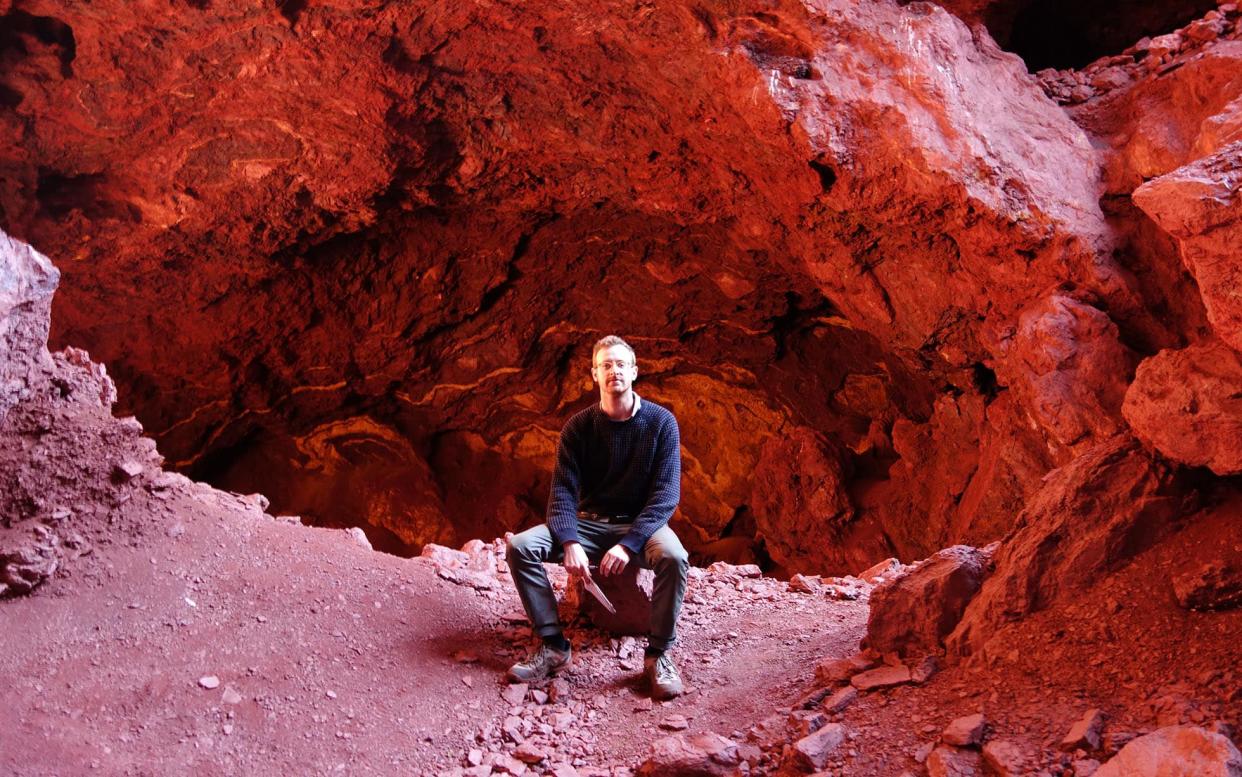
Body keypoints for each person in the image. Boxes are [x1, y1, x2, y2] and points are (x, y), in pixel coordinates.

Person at [505, 335, 688, 699]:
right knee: (522, 547)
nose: (614, 371)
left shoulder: (661, 423)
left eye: (621, 364)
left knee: (674, 556)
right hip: (588, 524)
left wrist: (629, 544)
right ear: (594, 374)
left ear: (634, 371)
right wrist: (570, 542)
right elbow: (561, 494)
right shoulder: (578, 428)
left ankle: (658, 656)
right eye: (606, 365)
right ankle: (554, 646)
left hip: (640, 524)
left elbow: (666, 496)